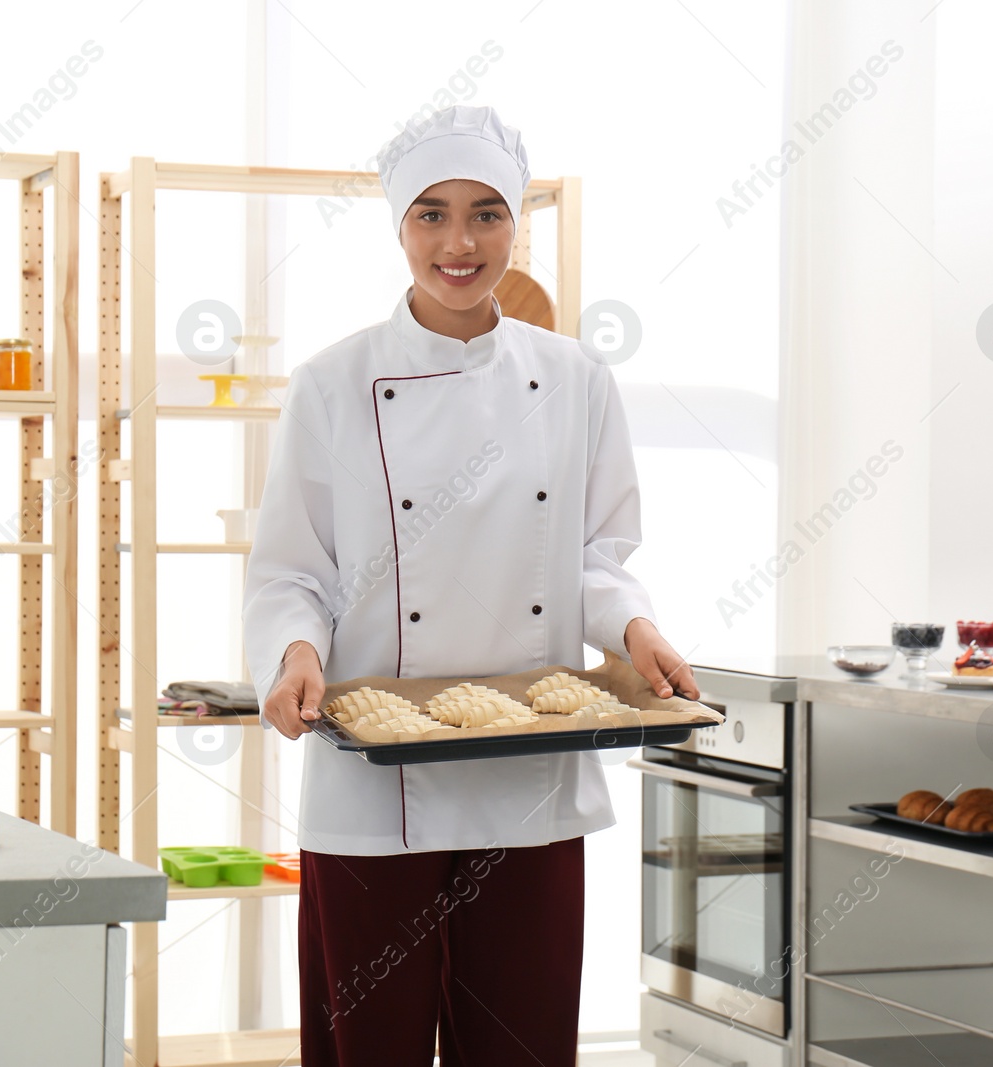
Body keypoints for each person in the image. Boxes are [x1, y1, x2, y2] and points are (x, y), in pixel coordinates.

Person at [243, 105, 697, 1067]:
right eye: (432, 215)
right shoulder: (334, 383)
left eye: (488, 214)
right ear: (398, 226)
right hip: (374, 788)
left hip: (526, 780)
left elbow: (595, 560)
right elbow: (292, 566)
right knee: (373, 1046)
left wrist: (636, 629)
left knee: (521, 1043)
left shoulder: (575, 379)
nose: (460, 243)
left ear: (517, 222)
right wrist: (292, 653)